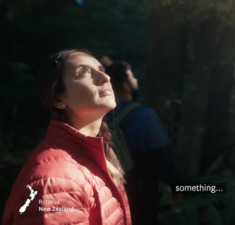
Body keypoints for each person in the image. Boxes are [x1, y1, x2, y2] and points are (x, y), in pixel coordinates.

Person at [2, 49, 131, 225]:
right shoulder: (55, 182)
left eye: (101, 69)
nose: (105, 78)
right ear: (58, 99)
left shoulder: (94, 157)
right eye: (83, 72)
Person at [105, 61, 181, 225]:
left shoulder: (97, 116)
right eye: (132, 76)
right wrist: (176, 185)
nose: (136, 80)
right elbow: (162, 157)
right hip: (140, 193)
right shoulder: (144, 116)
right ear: (125, 85)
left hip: (105, 194)